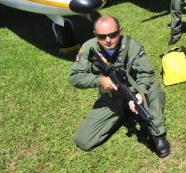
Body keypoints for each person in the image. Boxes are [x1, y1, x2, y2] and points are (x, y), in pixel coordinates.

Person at [69, 16, 170, 158]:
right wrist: (100, 80)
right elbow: (74, 77)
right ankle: (124, 111)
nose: (108, 40)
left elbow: (146, 73)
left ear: (120, 31)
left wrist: (140, 93)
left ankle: (157, 133)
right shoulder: (88, 47)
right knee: (83, 140)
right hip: (111, 97)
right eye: (102, 36)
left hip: (134, 91)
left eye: (113, 35)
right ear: (95, 34)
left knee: (153, 89)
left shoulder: (132, 45)